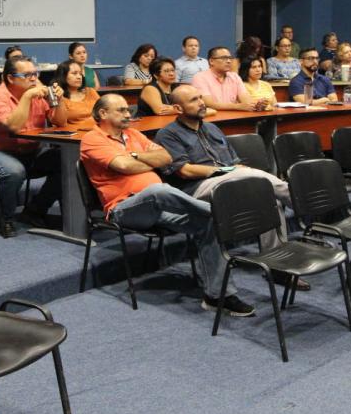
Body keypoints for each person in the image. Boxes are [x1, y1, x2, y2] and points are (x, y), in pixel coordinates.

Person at [79, 93, 256, 316]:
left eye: (127, 110)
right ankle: (220, 212)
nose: (128, 114)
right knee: (158, 190)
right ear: (103, 113)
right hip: (124, 209)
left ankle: (218, 295)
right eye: (122, 110)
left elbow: (166, 159)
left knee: (207, 222)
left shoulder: (133, 134)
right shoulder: (92, 139)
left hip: (160, 208)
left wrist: (134, 155)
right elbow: (124, 166)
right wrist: (143, 160)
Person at [155, 85, 308, 290]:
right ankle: (303, 203)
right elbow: (185, 171)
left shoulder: (212, 128)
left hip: (230, 181)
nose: (201, 102)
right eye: (193, 100)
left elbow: (236, 163)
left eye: (201, 97)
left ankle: (278, 267)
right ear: (178, 108)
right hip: (197, 190)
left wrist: (235, 171)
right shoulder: (168, 134)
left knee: (271, 201)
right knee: (256, 179)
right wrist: (225, 171)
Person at [0, 56, 63, 237]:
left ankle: (35, 211)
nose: (33, 78)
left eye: (35, 74)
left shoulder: (37, 95)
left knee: (67, 162)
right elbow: (14, 127)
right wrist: (28, 97)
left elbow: (60, 122)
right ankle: (5, 219)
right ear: (10, 78)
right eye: (27, 74)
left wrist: (58, 100)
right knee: (14, 171)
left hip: (30, 151)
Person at [191, 47, 263, 112]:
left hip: (234, 118)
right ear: (211, 61)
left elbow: (246, 100)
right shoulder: (200, 77)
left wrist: (256, 105)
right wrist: (237, 106)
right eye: (224, 58)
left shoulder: (235, 77)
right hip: (211, 120)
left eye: (230, 58)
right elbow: (209, 104)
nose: (228, 61)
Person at [48, 59, 99, 131]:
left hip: (98, 131)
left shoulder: (91, 92)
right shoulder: (58, 95)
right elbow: (60, 123)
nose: (79, 77)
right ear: (63, 76)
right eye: (74, 73)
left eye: (80, 73)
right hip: (76, 136)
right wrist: (60, 99)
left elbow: (106, 111)